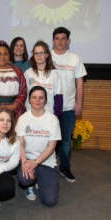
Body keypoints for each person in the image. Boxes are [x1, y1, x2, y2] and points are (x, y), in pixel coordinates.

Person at [51, 27, 87, 182]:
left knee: (65, 141)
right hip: (48, 109)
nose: (60, 41)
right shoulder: (47, 57)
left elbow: (80, 83)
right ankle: (47, 169)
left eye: (63, 38)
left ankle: (64, 168)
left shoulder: (75, 58)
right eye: (57, 38)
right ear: (53, 41)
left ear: (68, 41)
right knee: (46, 140)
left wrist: (79, 104)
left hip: (68, 108)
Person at [16, 86, 61, 205]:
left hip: (46, 162)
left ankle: (41, 179)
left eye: (41, 97)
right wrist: (25, 162)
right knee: (25, 179)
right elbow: (20, 143)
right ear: (29, 100)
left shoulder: (53, 119)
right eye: (34, 97)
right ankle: (30, 185)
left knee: (50, 201)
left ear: (45, 100)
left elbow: (52, 147)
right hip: (27, 159)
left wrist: (36, 162)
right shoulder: (23, 119)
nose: (37, 100)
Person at [24, 40, 63, 117]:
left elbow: (58, 99)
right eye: (36, 53)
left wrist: (55, 117)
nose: (39, 56)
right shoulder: (28, 73)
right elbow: (24, 95)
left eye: (41, 53)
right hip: (31, 115)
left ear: (47, 55)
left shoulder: (54, 74)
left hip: (49, 116)